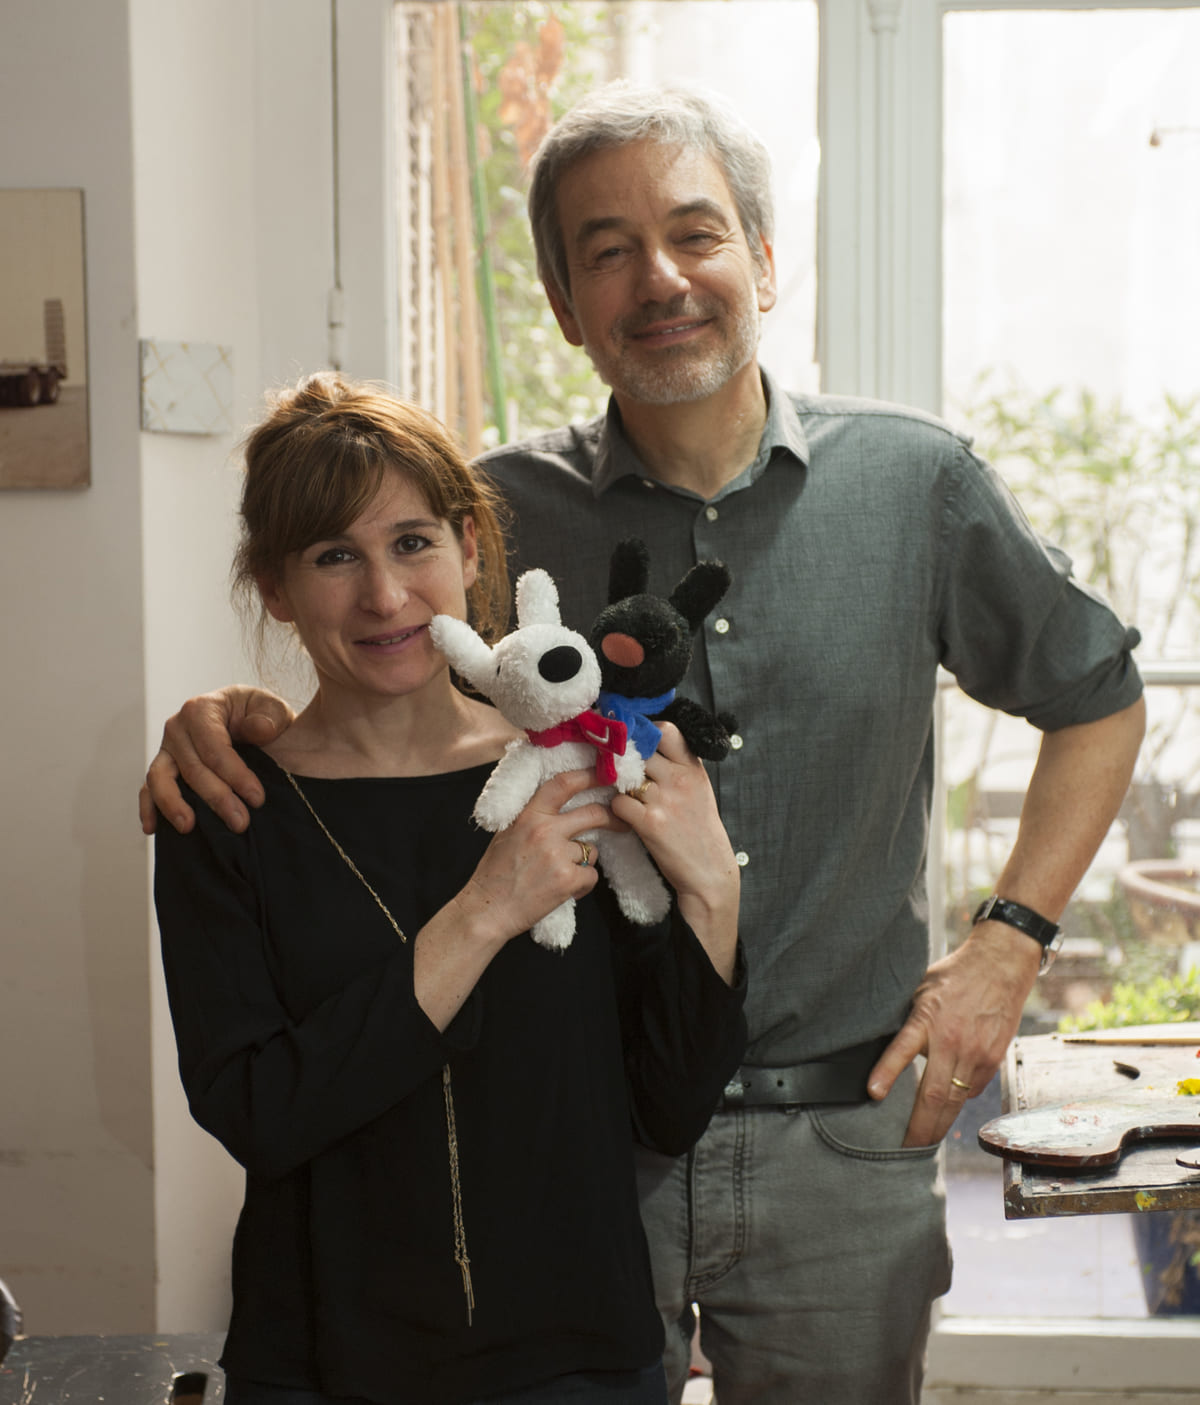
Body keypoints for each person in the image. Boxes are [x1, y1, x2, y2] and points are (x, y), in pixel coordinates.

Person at [142, 84, 1146, 1405]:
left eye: (694, 232)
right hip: (579, 1160)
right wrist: (229, 717)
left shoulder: (917, 483)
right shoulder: (499, 511)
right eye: (607, 250)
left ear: (764, 260)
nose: (660, 278)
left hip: (844, 1142)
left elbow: (1099, 697)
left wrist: (1008, 944)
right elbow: (385, 667)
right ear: (565, 305)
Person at [151, 372, 746, 1405]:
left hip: (577, 1356)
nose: (385, 596)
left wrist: (713, 893)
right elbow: (259, 1111)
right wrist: (484, 912)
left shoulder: (578, 772)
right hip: (322, 1363)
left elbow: (670, 1102)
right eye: (334, 555)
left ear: (471, 549)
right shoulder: (225, 806)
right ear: (276, 587)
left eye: (412, 542)